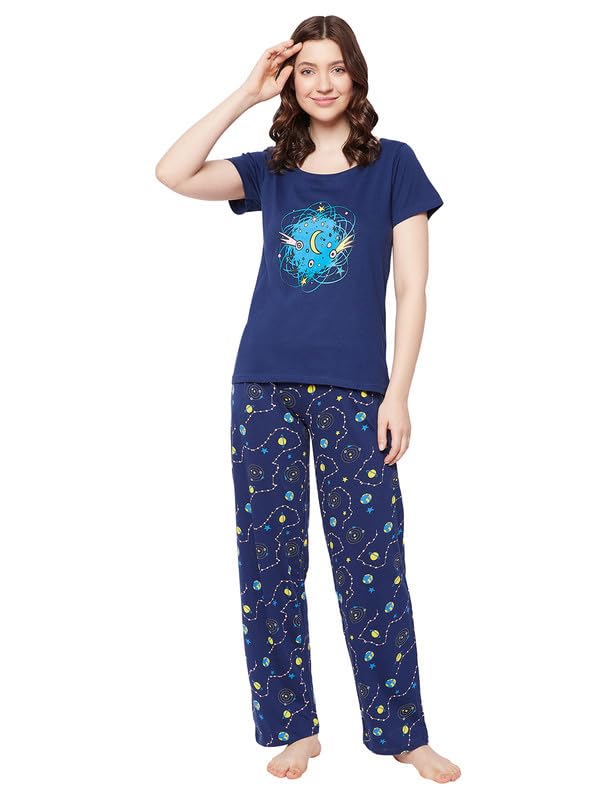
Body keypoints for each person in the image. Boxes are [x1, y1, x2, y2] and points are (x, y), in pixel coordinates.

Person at [155, 14, 461, 785]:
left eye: (336, 68)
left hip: (358, 394)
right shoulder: (273, 168)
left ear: (357, 75)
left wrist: (399, 393)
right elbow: (173, 172)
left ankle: (401, 733)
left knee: (372, 567)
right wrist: (245, 93)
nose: (323, 83)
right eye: (307, 70)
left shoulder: (395, 165)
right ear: (290, 80)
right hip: (264, 386)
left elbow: (413, 287)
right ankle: (294, 729)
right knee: (269, 565)